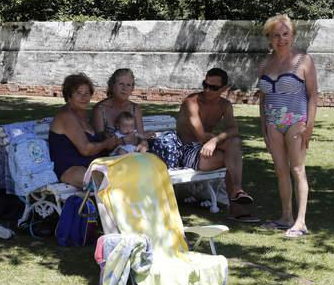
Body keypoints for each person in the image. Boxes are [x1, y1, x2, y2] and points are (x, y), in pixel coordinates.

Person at [257, 14, 318, 238]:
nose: (281, 39)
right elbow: (263, 99)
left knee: (297, 169)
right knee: (281, 171)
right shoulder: (264, 64)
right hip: (273, 122)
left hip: (296, 121)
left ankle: (301, 221)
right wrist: (264, 127)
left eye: (285, 34)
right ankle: (285, 217)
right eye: (276, 35)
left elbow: (313, 95)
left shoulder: (304, 61)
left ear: (292, 36)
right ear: (269, 38)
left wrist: (309, 126)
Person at [168, 68, 256, 222]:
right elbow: (201, 135)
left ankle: (236, 191)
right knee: (232, 153)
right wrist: (214, 140)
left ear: (224, 89)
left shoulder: (225, 105)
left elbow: (233, 129)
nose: (207, 90)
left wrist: (215, 141)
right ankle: (236, 202)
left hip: (205, 148)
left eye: (213, 87)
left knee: (234, 145)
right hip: (185, 151)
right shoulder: (192, 102)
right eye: (205, 85)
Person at [49, 73, 120, 187]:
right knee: (106, 182)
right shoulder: (66, 116)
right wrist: (106, 144)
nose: (84, 97)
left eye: (87, 93)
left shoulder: (82, 115)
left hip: (91, 164)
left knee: (128, 172)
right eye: (79, 93)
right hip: (71, 169)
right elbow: (86, 149)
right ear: (69, 96)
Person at [92, 68, 148, 153]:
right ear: (112, 86)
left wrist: (143, 144)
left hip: (134, 153)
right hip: (110, 156)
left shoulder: (135, 108)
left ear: (132, 89)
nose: (124, 88)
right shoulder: (100, 109)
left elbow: (141, 137)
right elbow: (101, 142)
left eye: (128, 85)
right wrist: (125, 140)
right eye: (121, 84)